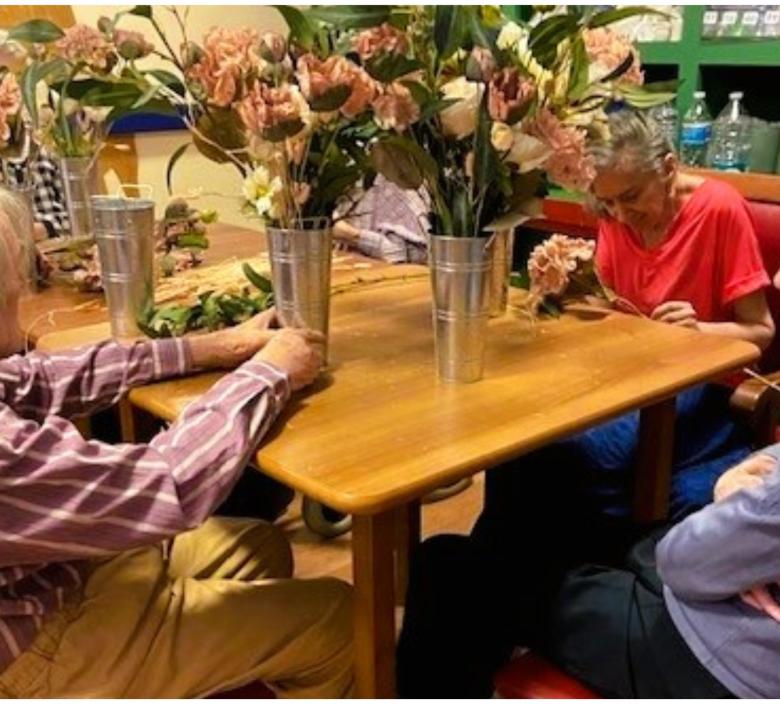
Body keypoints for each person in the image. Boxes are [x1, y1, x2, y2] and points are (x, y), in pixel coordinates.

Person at [0, 187, 353, 698]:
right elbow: (171, 484)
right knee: (337, 620)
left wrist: (212, 347)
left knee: (258, 546)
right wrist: (266, 374)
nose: (24, 298)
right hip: (35, 651)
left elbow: (39, 377)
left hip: (47, 578)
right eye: (13, 288)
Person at [398, 445, 780, 698]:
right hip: (727, 596)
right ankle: (500, 625)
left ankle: (493, 617)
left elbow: (680, 563)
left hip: (718, 657)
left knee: (445, 565)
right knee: (543, 474)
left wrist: (734, 488)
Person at [333, 174, 429, 264]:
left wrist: (352, 235)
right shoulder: (334, 187)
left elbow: (401, 254)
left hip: (394, 275)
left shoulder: (392, 186)